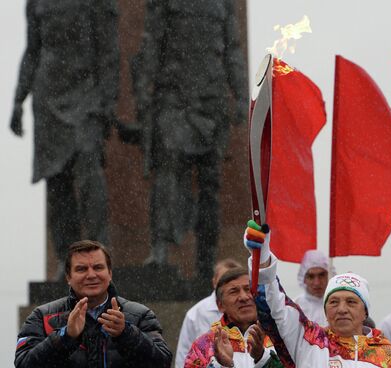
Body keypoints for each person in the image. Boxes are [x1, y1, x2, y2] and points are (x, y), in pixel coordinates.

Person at [133, 0, 248, 280]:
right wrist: (141, 88)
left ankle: (206, 258)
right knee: (167, 169)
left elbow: (232, 48)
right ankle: (160, 248)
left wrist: (242, 93)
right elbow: (152, 41)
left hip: (212, 100)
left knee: (210, 184)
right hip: (174, 96)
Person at [10, 0, 119, 280]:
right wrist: (19, 100)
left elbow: (108, 51)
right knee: (56, 184)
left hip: (86, 92)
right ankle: (66, 259)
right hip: (48, 96)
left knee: (89, 176)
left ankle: (98, 253)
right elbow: (33, 50)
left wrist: (107, 103)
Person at [244, 222, 391, 367]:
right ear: (325, 311)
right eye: (333, 302)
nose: (342, 309)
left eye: (351, 302)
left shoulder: (389, 358)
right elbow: (273, 307)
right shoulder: (310, 341)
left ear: (365, 312)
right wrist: (262, 256)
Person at [15, 240, 172, 367]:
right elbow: (23, 364)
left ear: (109, 273)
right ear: (68, 277)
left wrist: (125, 334)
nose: (91, 275)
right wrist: (65, 337)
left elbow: (163, 362)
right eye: (81, 269)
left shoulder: (140, 315)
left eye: (98, 267)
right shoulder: (42, 317)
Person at [184, 268, 281, 367]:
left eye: (248, 289)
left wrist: (262, 357)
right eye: (233, 291)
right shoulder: (204, 345)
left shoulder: (279, 338)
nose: (243, 297)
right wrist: (223, 365)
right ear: (220, 305)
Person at [175, 258, 242, 368]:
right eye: (224, 281)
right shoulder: (195, 314)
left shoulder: (251, 312)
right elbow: (183, 355)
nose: (229, 286)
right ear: (214, 282)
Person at [294, 250, 332, 326]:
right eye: (311, 276)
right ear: (303, 279)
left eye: (321, 275)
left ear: (330, 276)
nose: (317, 282)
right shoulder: (295, 308)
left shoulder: (339, 306)